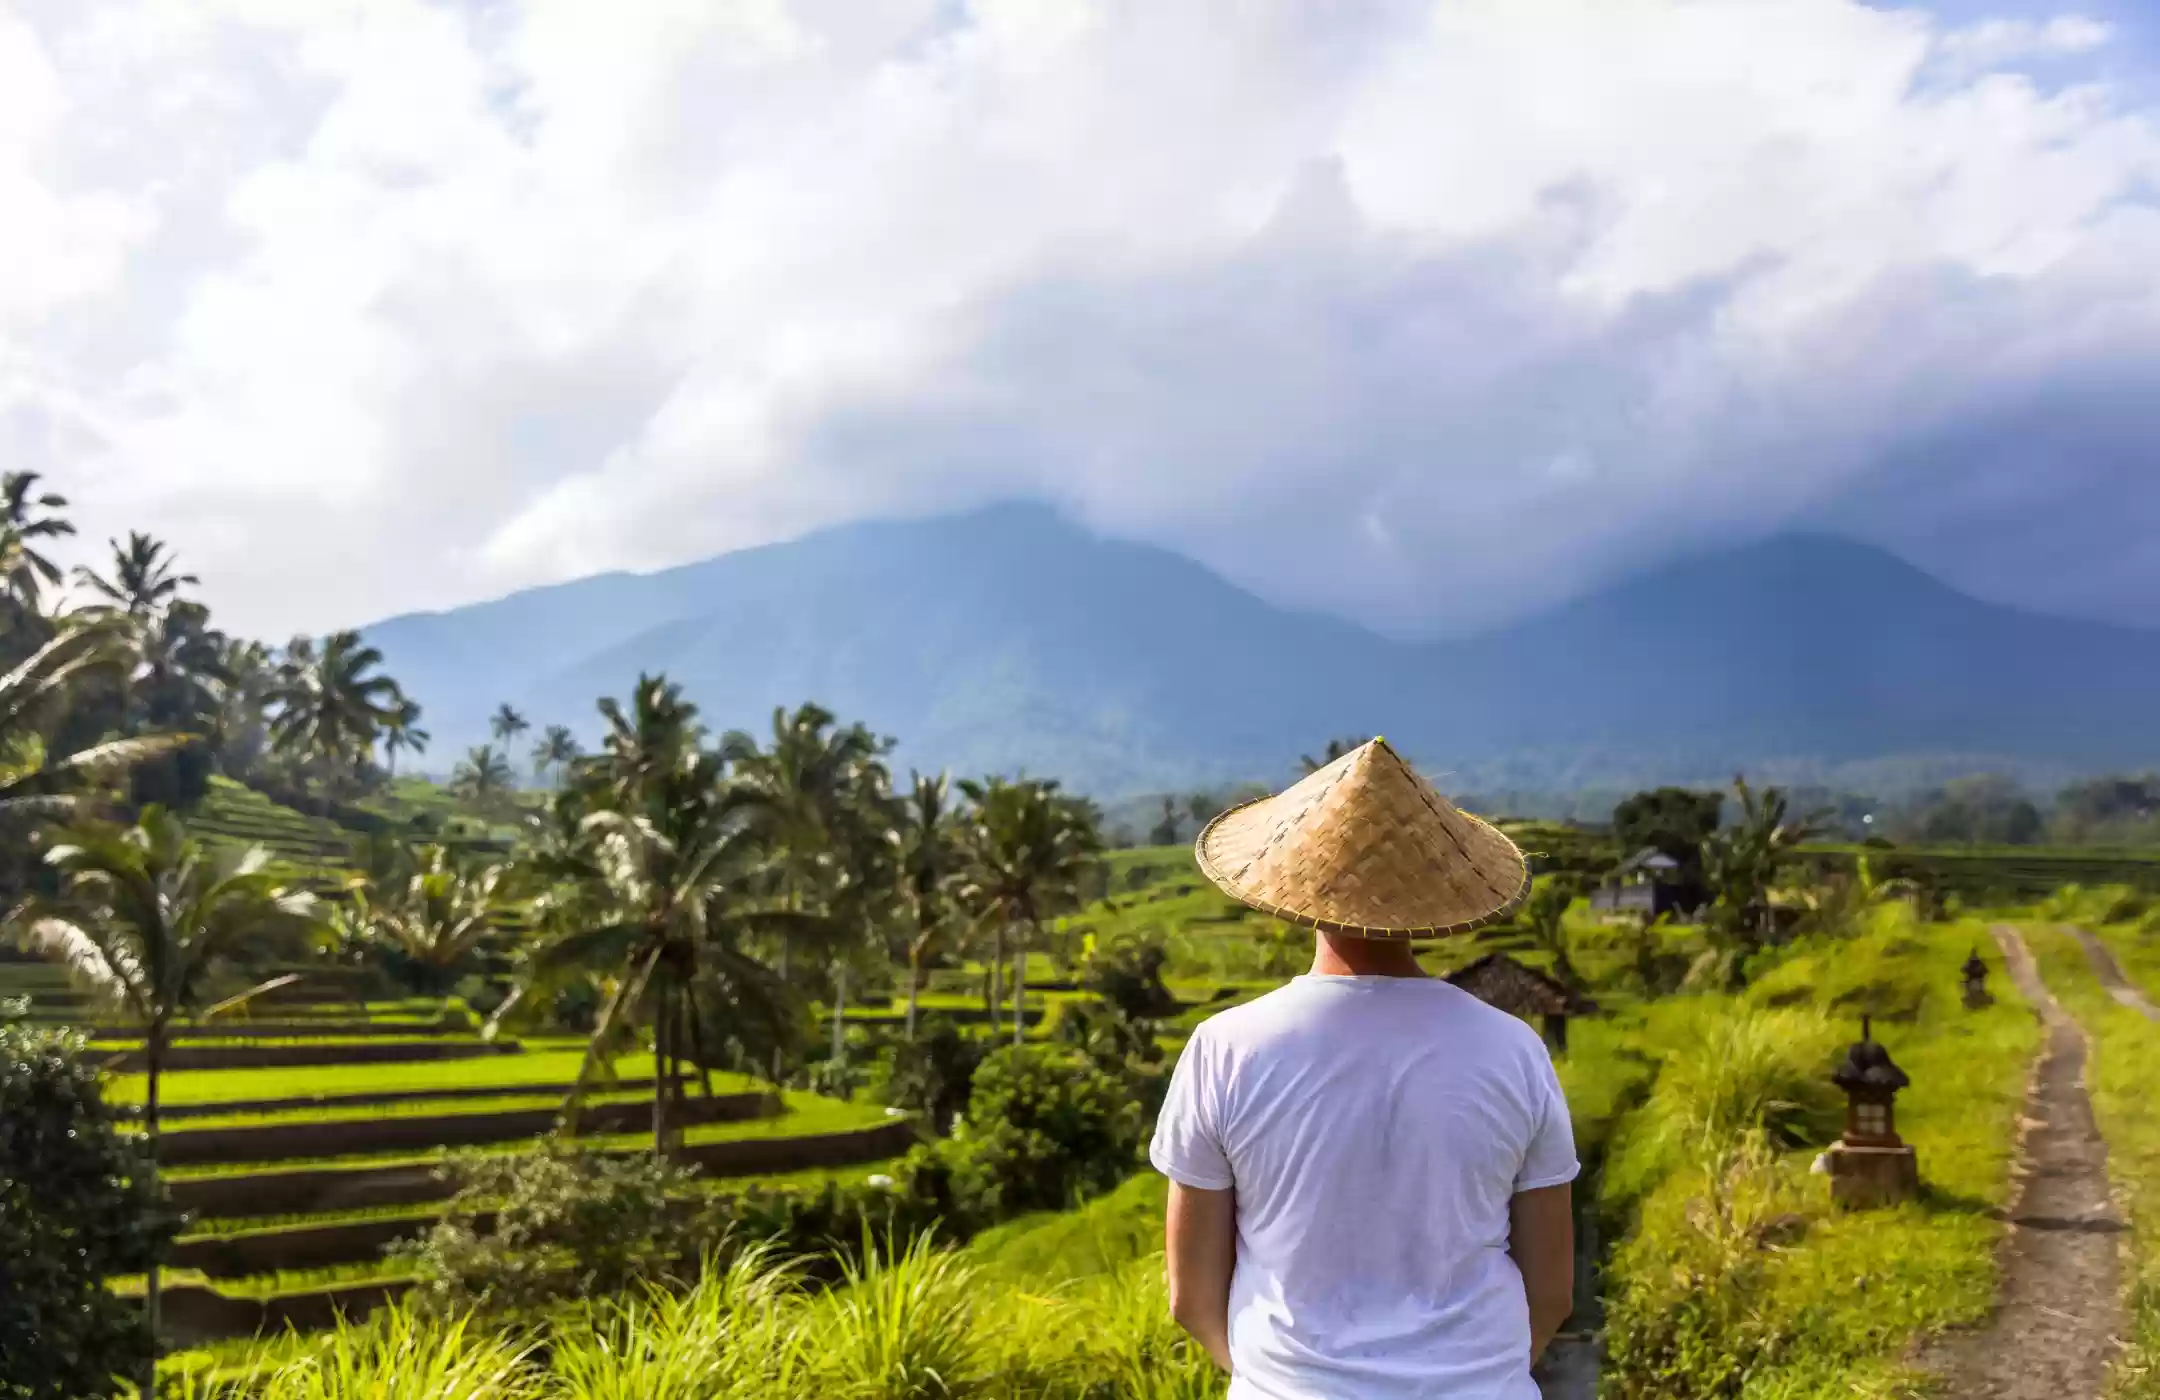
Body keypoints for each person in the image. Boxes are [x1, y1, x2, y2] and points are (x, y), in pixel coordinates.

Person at [1150, 738, 1578, 1399]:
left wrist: (1279, 1382)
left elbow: (1191, 1299)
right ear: (1437, 896)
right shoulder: (1514, 1050)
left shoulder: (1224, 1049)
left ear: (1297, 883)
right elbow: (1550, 1293)